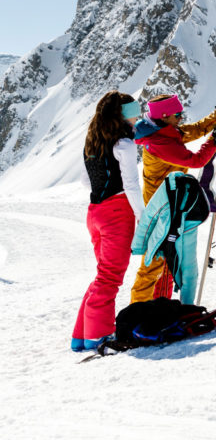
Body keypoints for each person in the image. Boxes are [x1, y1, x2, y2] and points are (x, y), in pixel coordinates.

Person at [128, 94, 216, 302]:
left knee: (172, 258)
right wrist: (214, 141)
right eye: (177, 114)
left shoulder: (164, 130)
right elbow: (195, 160)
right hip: (162, 209)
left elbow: (195, 129)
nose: (181, 117)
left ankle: (159, 306)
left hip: (174, 204)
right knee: (153, 261)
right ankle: (137, 311)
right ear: (164, 116)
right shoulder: (158, 142)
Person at [72, 92, 144, 351]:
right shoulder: (124, 143)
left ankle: (81, 335)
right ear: (123, 115)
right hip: (116, 212)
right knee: (110, 277)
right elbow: (132, 185)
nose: (137, 117)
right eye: (134, 112)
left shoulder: (93, 141)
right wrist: (142, 217)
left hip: (95, 212)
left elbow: (85, 180)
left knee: (103, 274)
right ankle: (97, 336)